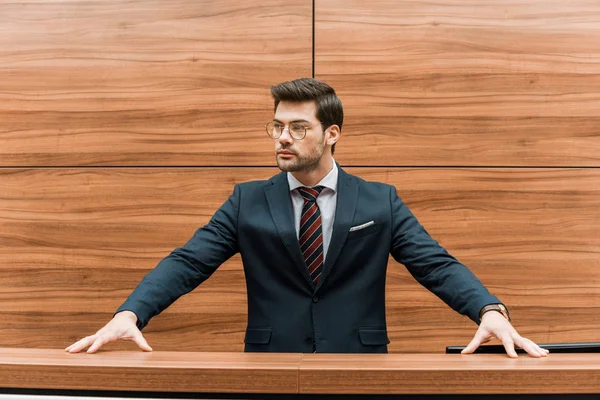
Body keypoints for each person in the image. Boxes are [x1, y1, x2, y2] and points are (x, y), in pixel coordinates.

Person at [66, 78, 549, 358]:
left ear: (331, 133)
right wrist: (129, 313)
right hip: (269, 363)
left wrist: (489, 310)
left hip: (358, 365)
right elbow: (188, 262)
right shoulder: (247, 200)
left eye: (298, 127)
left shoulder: (379, 201)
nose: (283, 137)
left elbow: (435, 264)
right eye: (277, 126)